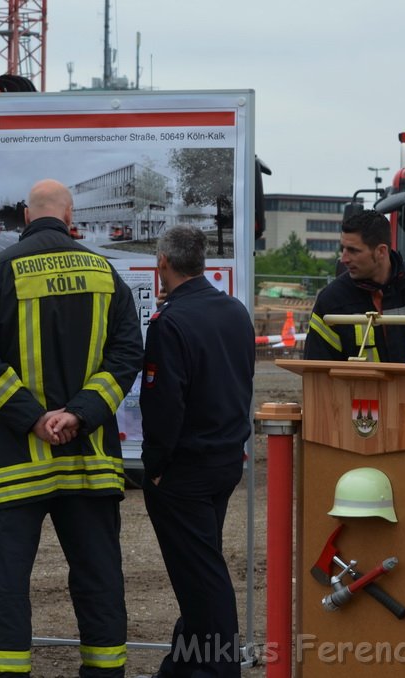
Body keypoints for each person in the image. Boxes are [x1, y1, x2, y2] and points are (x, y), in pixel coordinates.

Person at [0, 179, 143, 678]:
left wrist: (33, 418)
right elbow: (127, 355)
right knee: (99, 579)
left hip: (16, 465)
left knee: (11, 583)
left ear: (25, 215)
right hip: (89, 464)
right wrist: (80, 414)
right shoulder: (104, 272)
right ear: (70, 216)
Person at [139, 226, 254, 677]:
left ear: (162, 263)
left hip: (184, 470)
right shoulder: (235, 312)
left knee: (203, 578)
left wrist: (157, 467)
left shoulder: (171, 322)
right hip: (225, 461)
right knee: (198, 567)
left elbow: (164, 404)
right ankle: (182, 667)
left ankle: (218, 669)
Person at [303, 209, 405, 377]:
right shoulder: (331, 301)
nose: (344, 259)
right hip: (359, 403)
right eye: (343, 249)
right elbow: (318, 373)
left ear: (381, 251)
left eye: (353, 250)